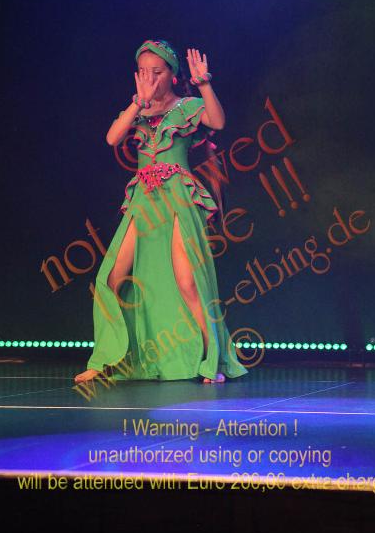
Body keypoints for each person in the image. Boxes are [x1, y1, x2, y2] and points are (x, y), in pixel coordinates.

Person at [73, 39, 249, 388]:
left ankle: (211, 359)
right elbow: (112, 138)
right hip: (143, 201)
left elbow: (217, 120)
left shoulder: (187, 106)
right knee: (111, 279)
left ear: (172, 75)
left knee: (188, 282)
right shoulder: (137, 110)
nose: (150, 78)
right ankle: (107, 358)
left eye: (157, 72)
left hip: (178, 198)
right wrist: (138, 102)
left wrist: (204, 83)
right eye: (143, 72)